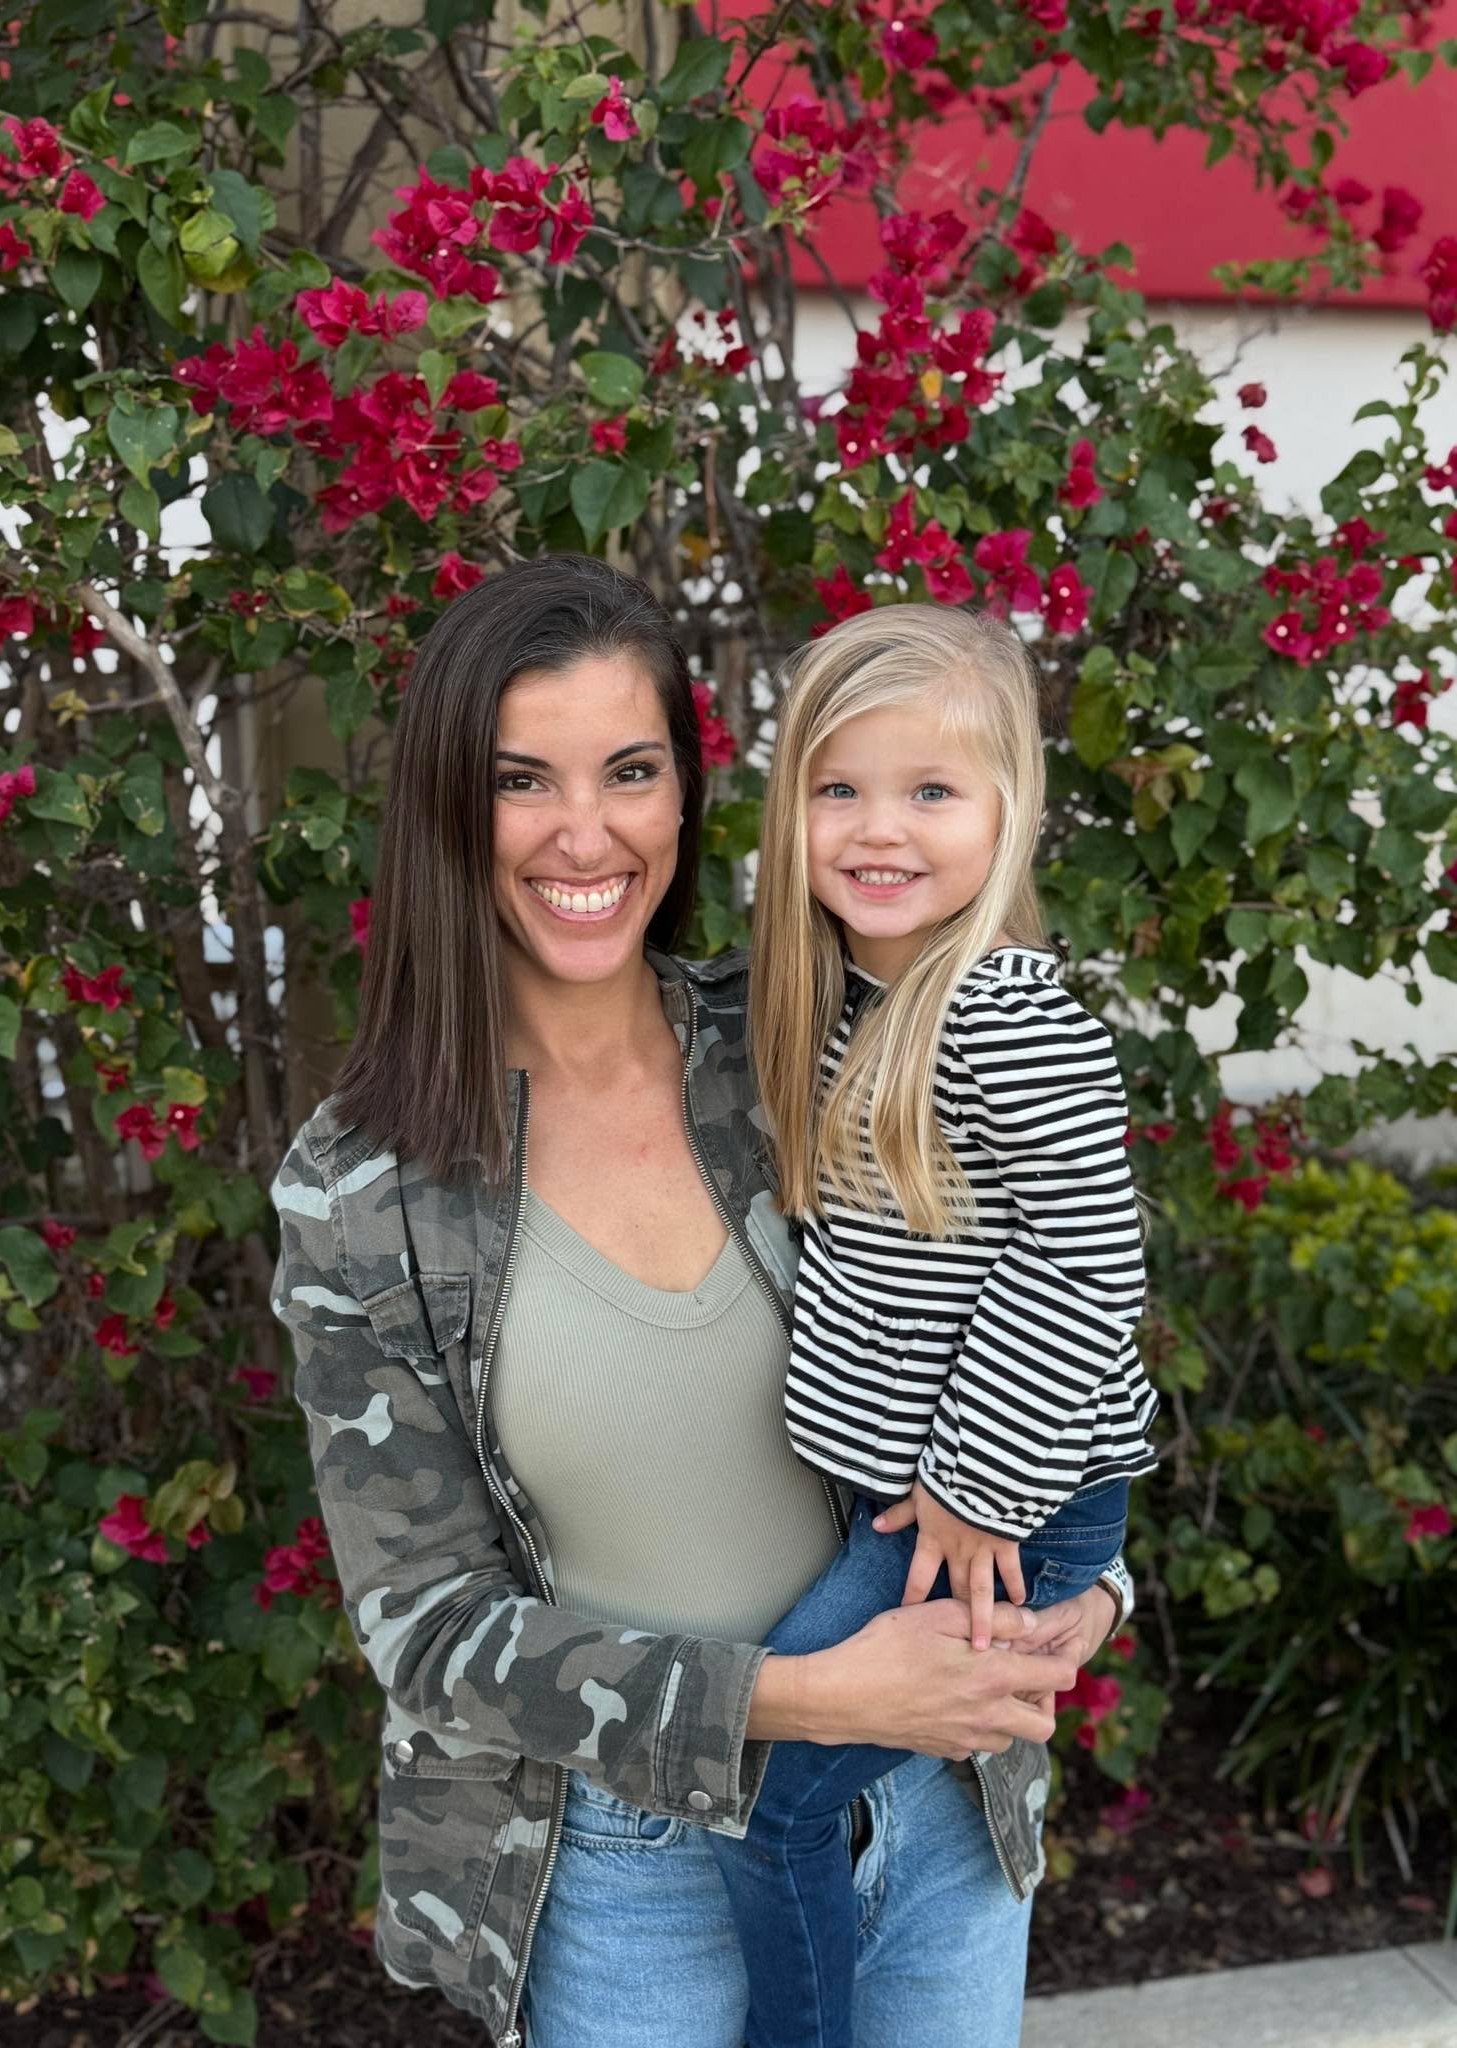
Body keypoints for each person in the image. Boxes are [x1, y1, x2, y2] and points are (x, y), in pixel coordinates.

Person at [268, 556, 1123, 2048]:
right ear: (442, 810)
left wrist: (1095, 1592)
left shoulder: (799, 1042)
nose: (581, 832)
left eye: (631, 771)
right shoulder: (363, 1190)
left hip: (934, 1813)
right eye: (520, 779)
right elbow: (428, 1629)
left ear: (688, 797)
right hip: (632, 1869)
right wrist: (789, 1701)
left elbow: (1063, 1292)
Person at [704, 602, 1160, 2048]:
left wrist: (974, 1486)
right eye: (838, 789)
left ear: (1007, 810)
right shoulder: (852, 1003)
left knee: (763, 1801)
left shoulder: (1003, 1009)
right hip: (922, 1500)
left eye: (930, 791)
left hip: (992, 1502)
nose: (877, 829)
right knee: (819, 1803)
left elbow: (1086, 1265)